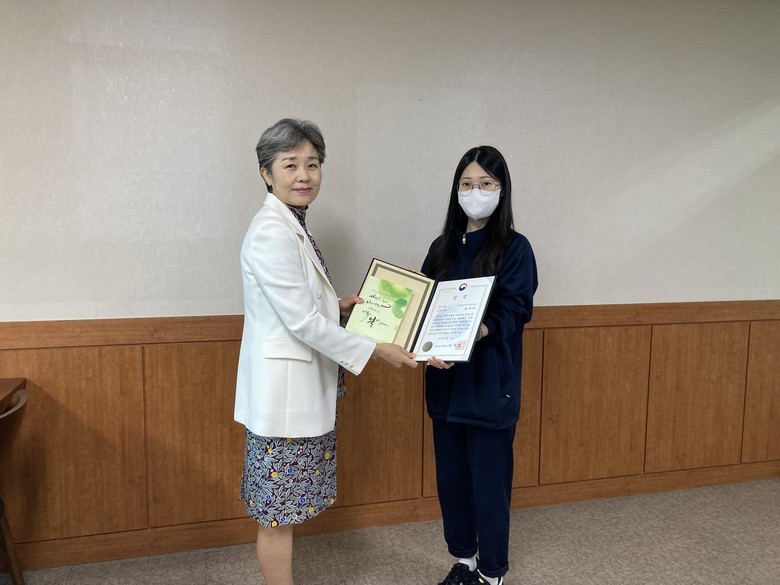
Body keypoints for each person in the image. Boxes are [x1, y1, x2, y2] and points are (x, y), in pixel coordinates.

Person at [234, 118, 418, 585]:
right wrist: (376, 349)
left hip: (292, 390)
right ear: (266, 173)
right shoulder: (271, 231)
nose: (304, 175)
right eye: (290, 164)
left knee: (284, 509)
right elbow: (300, 321)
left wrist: (337, 306)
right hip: (281, 400)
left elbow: (296, 305)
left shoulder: (291, 224)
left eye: (312, 164)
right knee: (277, 512)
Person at [421, 145, 538, 585]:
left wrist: (480, 329)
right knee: (451, 482)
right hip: (446, 384)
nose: (476, 192)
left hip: (490, 386)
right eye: (467, 184)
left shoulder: (515, 248)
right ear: (456, 190)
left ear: (501, 190)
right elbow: (423, 307)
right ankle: (464, 561)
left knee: (489, 486)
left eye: (486, 184)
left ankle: (491, 573)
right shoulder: (442, 247)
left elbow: (516, 309)